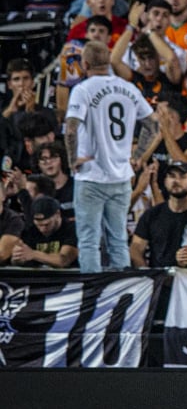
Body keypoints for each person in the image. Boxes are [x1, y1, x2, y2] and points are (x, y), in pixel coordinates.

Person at [65, 41, 158, 273]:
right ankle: (120, 292)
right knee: (118, 238)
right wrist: (137, 156)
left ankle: (92, 291)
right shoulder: (129, 88)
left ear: (84, 64)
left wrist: (71, 159)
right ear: (108, 62)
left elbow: (70, 128)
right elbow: (153, 125)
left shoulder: (83, 89)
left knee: (89, 240)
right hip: (121, 177)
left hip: (91, 176)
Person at [130, 160, 187, 268]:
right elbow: (136, 248)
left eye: (182, 177)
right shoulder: (152, 214)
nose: (176, 181)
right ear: (165, 181)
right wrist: (148, 274)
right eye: (172, 176)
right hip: (159, 278)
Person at [8, 196, 76, 269]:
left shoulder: (71, 229)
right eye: (39, 225)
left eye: (47, 224)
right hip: (37, 277)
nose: (43, 229)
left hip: (68, 277)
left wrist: (33, 254)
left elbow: (64, 261)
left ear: (57, 214)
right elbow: (19, 260)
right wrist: (18, 258)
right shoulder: (31, 231)